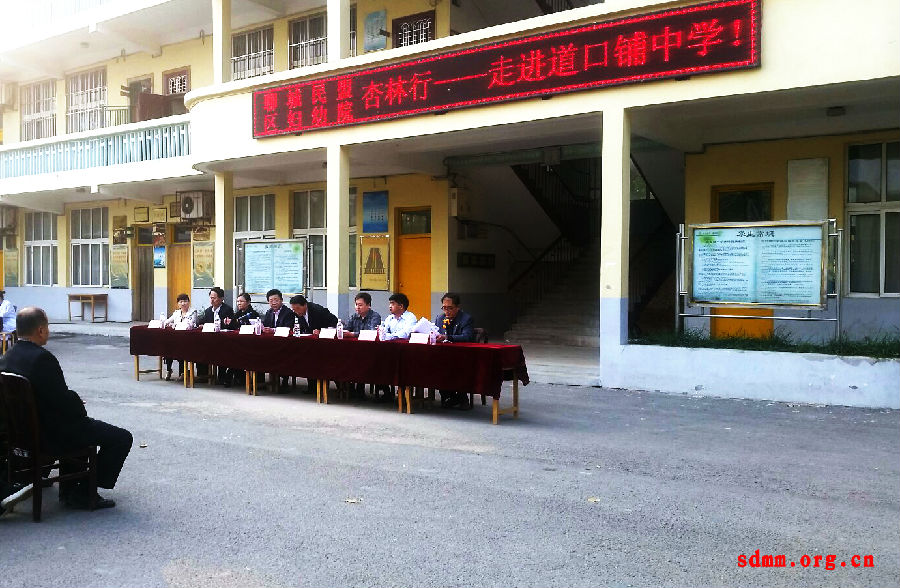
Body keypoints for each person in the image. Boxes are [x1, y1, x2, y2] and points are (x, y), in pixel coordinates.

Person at [0, 307, 132, 510]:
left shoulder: (7, 356)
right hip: (48, 436)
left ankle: (69, 488)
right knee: (121, 437)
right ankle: (83, 492)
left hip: (21, 434)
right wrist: (78, 403)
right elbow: (63, 402)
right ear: (41, 330)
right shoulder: (42, 359)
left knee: (81, 427)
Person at [433, 293, 477, 408]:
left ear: (458, 307)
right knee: (434, 365)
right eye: (444, 308)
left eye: (450, 308)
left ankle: (461, 398)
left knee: (456, 367)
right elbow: (436, 332)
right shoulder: (440, 318)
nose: (446, 311)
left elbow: (467, 337)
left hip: (462, 355)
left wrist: (448, 337)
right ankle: (449, 396)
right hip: (443, 354)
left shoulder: (466, 319)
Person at [223, 293, 260, 388]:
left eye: (241, 301)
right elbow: (233, 327)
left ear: (248, 302)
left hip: (250, 343)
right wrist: (228, 323)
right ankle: (237, 377)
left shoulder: (253, 314)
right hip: (238, 343)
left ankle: (233, 376)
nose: (239, 303)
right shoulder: (237, 314)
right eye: (237, 301)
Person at [163, 293, 198, 381]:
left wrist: (176, 325)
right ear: (178, 303)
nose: (183, 304)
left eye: (185, 301)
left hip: (189, 339)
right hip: (177, 338)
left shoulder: (193, 312)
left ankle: (183, 372)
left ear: (189, 302)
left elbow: (191, 324)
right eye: (181, 302)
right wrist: (167, 323)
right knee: (168, 347)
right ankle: (168, 370)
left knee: (182, 349)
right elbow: (167, 322)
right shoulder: (177, 313)